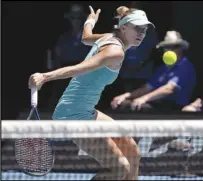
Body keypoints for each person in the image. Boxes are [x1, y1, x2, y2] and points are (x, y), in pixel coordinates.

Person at [28, 5, 154, 180]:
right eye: (137, 28)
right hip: (73, 115)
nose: (141, 33)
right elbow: (79, 69)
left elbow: (86, 37)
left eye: (144, 29)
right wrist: (45, 76)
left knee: (132, 151)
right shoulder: (114, 52)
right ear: (123, 27)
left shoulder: (108, 37)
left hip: (86, 110)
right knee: (120, 168)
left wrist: (90, 21)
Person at [111, 31, 196, 112]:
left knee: (139, 106)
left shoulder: (185, 66)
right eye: (167, 47)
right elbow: (147, 88)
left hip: (175, 108)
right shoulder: (161, 69)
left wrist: (144, 98)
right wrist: (127, 96)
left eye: (174, 47)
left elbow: (169, 89)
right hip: (158, 105)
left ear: (180, 49)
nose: (170, 50)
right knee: (122, 104)